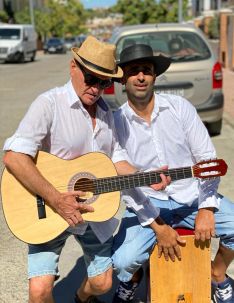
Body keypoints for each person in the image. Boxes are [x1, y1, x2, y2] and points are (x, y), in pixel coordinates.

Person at [2, 37, 169, 303]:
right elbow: (14, 157)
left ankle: (81, 299)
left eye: (104, 82)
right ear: (73, 67)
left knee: (102, 284)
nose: (96, 89)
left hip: (91, 214)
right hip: (49, 208)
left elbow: (116, 158)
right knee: (39, 291)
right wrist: (56, 199)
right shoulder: (49, 104)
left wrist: (146, 177)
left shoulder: (106, 114)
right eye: (91, 78)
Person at [111, 43, 234, 303]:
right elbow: (127, 186)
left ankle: (217, 274)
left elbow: (207, 160)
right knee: (122, 262)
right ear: (123, 78)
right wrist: (157, 226)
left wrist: (206, 208)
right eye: (134, 71)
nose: (141, 76)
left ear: (155, 76)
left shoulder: (180, 108)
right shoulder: (115, 122)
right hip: (147, 203)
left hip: (191, 197)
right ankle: (134, 281)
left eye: (146, 70)